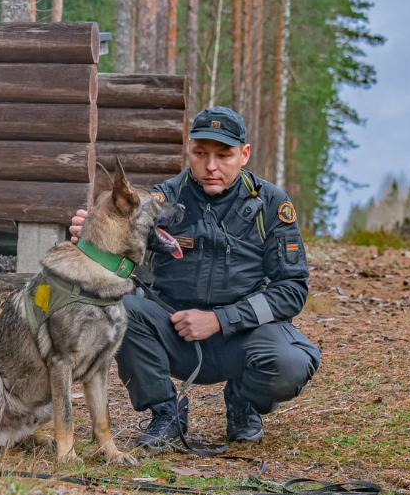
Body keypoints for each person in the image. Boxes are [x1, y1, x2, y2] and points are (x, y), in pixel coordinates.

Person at [69, 107, 321, 449]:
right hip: (175, 331)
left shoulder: (270, 204)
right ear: (189, 150)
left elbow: (292, 290)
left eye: (224, 155)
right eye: (200, 153)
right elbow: (118, 260)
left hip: (243, 336)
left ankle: (243, 402)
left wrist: (220, 319)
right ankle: (166, 413)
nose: (211, 166)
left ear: (244, 154)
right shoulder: (162, 200)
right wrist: (93, 238)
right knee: (117, 308)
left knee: (291, 363)